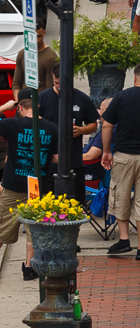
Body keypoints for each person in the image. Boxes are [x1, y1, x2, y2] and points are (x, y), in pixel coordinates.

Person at [0, 90, 58, 280]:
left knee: (3, 226)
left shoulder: (13, 124)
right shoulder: (51, 128)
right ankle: (30, 268)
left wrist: (5, 107)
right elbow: (56, 158)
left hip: (15, 183)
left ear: (21, 107)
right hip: (38, 186)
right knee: (34, 227)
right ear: (38, 106)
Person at [38, 62, 97, 203]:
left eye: (62, 83)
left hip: (75, 161)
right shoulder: (43, 98)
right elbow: (33, 124)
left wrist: (82, 130)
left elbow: (93, 125)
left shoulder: (82, 98)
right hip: (49, 162)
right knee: (49, 206)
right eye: (55, 82)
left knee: (76, 205)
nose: (59, 87)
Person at [101, 62, 140, 256]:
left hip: (125, 155)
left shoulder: (121, 96)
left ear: (135, 78)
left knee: (121, 195)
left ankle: (124, 239)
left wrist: (106, 151)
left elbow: (107, 125)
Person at [12, 19, 57, 97]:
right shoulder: (22, 54)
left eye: (39, 36)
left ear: (44, 33)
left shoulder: (50, 58)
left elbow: (50, 91)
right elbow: (16, 83)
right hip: (24, 103)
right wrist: (19, 102)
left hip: (40, 104)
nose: (36, 40)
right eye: (33, 37)